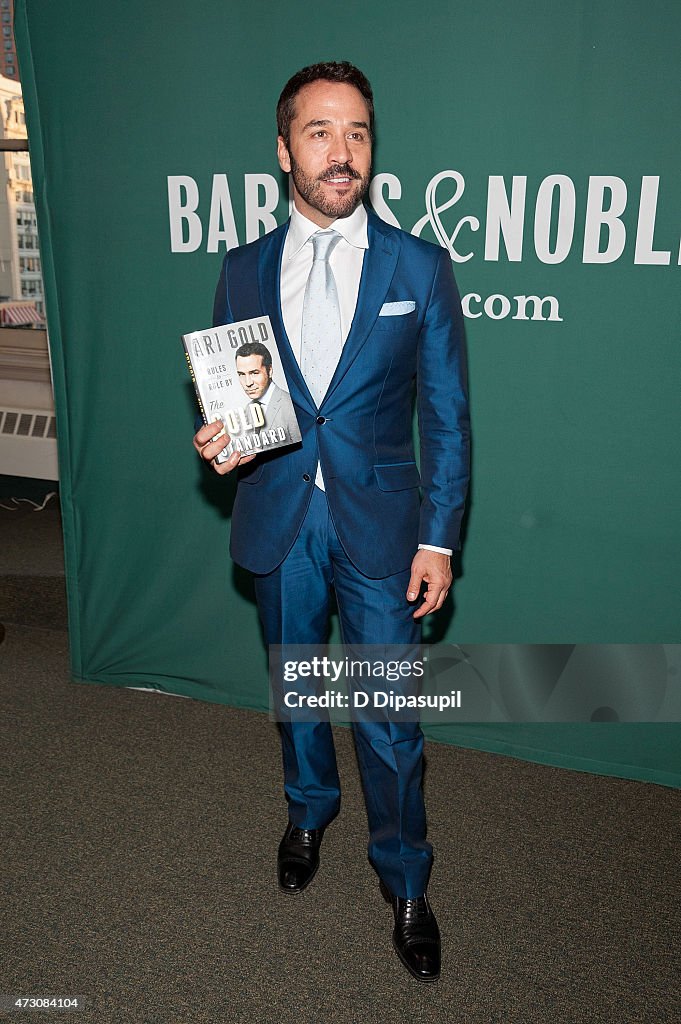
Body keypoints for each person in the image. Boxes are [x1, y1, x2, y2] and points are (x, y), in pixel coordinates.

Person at [193, 61, 470, 983]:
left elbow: (447, 417)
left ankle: (405, 882)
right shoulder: (241, 270)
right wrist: (227, 442)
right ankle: (308, 809)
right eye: (319, 132)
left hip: (385, 530)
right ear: (283, 150)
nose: (341, 151)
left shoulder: (418, 267)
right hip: (280, 520)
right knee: (297, 693)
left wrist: (438, 536)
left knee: (390, 721)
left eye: (356, 132)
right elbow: (247, 395)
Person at [234, 341, 300, 441]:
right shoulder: (248, 408)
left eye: (254, 373)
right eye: (242, 374)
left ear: (270, 371)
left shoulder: (290, 405)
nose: (248, 383)